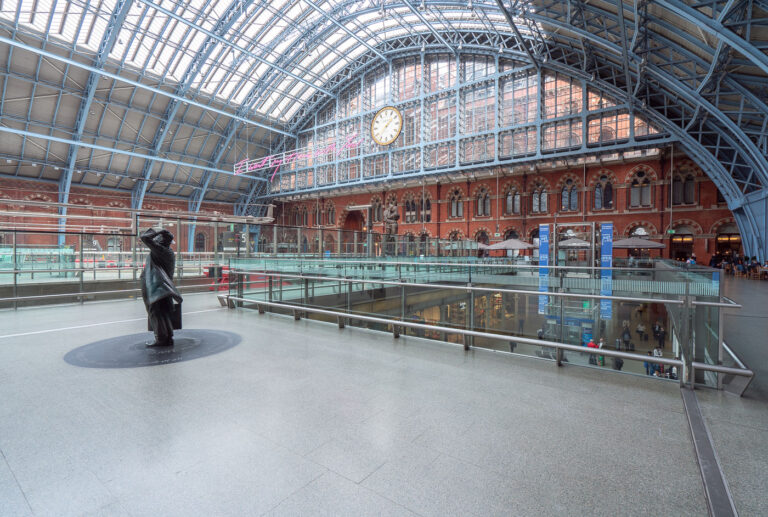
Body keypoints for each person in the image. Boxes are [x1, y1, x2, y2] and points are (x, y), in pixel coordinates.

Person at [140, 228, 182, 347]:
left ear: (160, 241)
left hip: (156, 287)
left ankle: (161, 339)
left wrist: (158, 232)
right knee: (163, 312)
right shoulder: (168, 251)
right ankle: (168, 337)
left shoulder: (160, 250)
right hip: (163, 287)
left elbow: (144, 238)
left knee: (155, 312)